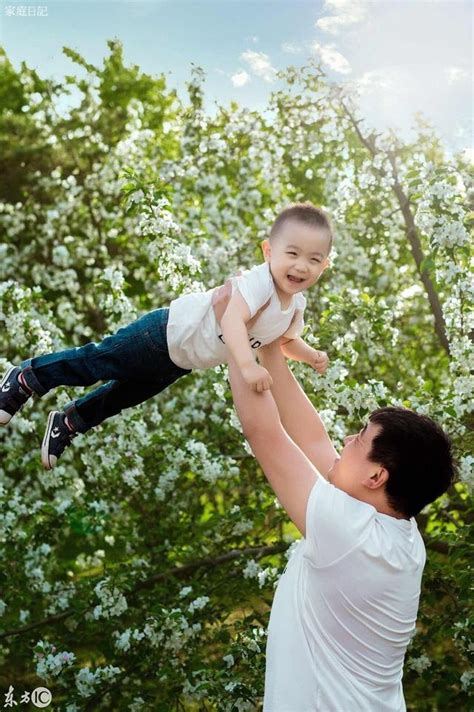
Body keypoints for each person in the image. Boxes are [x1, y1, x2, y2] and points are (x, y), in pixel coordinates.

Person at [213, 285, 456, 711]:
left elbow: (264, 433)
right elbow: (313, 440)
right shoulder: (397, 535)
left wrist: (236, 328)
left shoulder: (349, 532)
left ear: (377, 475)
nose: (346, 440)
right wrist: (272, 344)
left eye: (359, 439)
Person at [0, 203, 331, 470]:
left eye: (313, 260)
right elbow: (232, 320)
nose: (301, 266)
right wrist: (247, 366)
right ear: (268, 251)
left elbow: (286, 342)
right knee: (97, 362)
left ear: (324, 266)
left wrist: (310, 354)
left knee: (122, 397)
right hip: (164, 333)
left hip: (180, 361)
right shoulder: (259, 283)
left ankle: (70, 422)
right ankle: (28, 377)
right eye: (292, 253)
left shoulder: (296, 305)